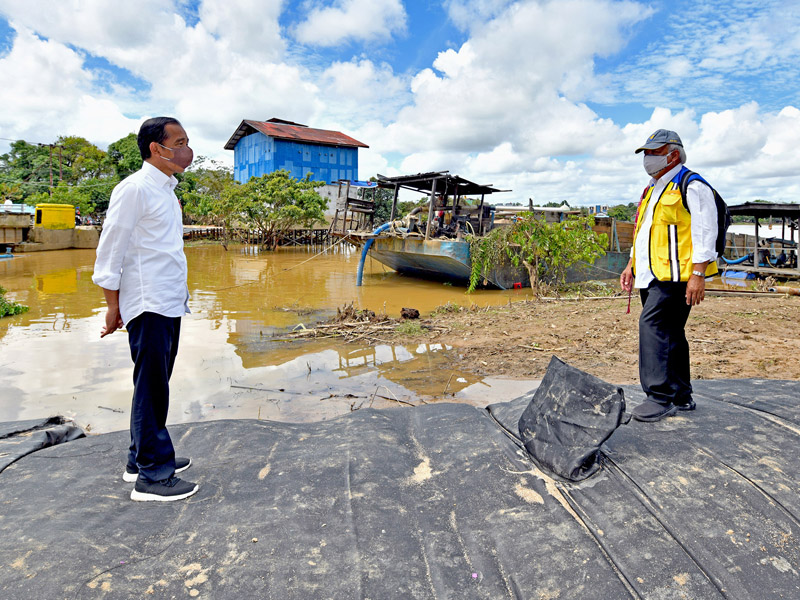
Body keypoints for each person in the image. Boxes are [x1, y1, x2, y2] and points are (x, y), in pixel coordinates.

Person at [92, 117, 198, 501]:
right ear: (157, 148)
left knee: (152, 384)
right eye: (180, 141)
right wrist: (112, 307)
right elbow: (110, 251)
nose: (188, 149)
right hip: (149, 302)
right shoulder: (134, 189)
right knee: (153, 387)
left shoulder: (166, 190)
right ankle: (153, 478)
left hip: (167, 300)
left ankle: (140, 458)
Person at [620, 129, 719, 422]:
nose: (648, 159)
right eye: (646, 153)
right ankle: (681, 395)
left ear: (673, 154)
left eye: (653, 152)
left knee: (653, 327)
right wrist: (630, 265)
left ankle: (659, 397)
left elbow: (705, 232)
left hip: (676, 277)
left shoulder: (692, 185)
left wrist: (698, 274)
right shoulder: (653, 189)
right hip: (652, 273)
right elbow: (643, 231)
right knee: (672, 332)